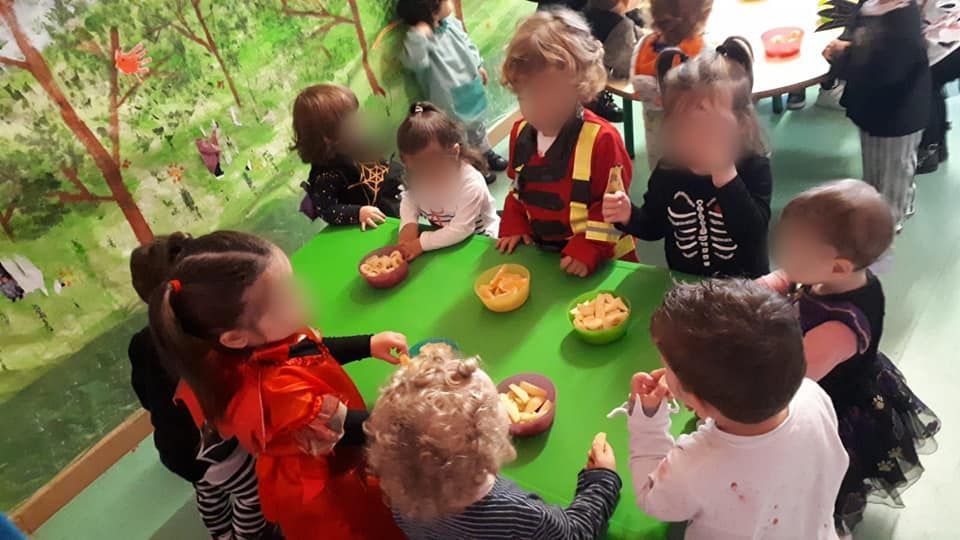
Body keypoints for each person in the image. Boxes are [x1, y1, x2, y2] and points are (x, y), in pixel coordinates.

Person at [146, 230, 407, 540]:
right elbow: (345, 426)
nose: (305, 296)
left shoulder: (261, 340)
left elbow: (305, 351)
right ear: (235, 337)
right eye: (287, 297)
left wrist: (367, 344)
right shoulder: (271, 392)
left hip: (338, 460)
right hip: (324, 491)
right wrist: (409, 419)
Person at [759, 180, 941, 535]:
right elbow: (788, 277)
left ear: (839, 266)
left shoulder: (840, 329)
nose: (786, 259)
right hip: (816, 368)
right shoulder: (830, 274)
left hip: (831, 403)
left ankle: (818, 518)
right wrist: (764, 286)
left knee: (821, 477)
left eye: (795, 252)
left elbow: (790, 378)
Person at [621, 279, 848, 539]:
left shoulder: (694, 465)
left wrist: (648, 422)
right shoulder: (812, 394)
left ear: (695, 402)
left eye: (668, 367)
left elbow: (653, 499)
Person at [365, 348, 622, 539]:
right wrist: (601, 481)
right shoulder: (519, 514)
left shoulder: (400, 494)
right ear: (489, 442)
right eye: (496, 404)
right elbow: (576, 532)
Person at [129, 232, 272, 540]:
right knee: (253, 491)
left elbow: (144, 397)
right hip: (210, 447)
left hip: (173, 449)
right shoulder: (206, 338)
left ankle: (219, 532)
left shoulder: (141, 341)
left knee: (208, 487)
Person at [604, 37, 772, 278]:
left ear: (742, 125)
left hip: (745, 290)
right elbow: (654, 225)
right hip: (686, 287)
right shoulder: (669, 171)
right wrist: (628, 214)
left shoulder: (754, 168)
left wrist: (726, 176)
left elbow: (753, 232)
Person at [497, 8, 636, 278]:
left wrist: (589, 247)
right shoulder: (520, 134)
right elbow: (518, 189)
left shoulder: (602, 140)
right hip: (547, 257)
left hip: (604, 261)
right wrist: (514, 223)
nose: (541, 109)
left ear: (579, 87)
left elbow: (613, 206)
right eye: (528, 98)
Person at [822, 0, 930, 229]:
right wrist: (847, 44)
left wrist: (842, 58)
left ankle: (891, 219)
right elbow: (860, 29)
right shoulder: (872, 4)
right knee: (874, 164)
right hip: (873, 108)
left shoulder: (903, 21)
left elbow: (883, 70)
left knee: (895, 170)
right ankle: (874, 204)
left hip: (898, 114)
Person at [397, 0, 507, 183]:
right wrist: (419, 35)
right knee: (459, 134)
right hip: (447, 97)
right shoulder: (420, 37)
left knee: (477, 125)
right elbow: (415, 62)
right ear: (432, 11)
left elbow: (467, 43)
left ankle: (486, 153)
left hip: (470, 85)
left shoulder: (451, 24)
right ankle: (473, 166)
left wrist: (478, 64)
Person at [396, 102, 499, 261]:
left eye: (434, 169)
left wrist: (421, 244)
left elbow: (461, 229)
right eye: (419, 171)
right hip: (444, 240)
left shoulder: (470, 183)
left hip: (481, 240)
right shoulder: (418, 178)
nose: (427, 178)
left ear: (454, 152)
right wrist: (408, 224)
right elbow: (410, 199)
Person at [292, 84, 403, 229]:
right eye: (352, 120)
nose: (360, 120)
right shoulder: (327, 174)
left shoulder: (361, 145)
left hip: (396, 211)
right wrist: (358, 213)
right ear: (328, 136)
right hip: (367, 229)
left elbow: (385, 168)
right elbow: (326, 209)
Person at [630, 0, 713, 168]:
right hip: (696, 150)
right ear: (703, 16)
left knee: (664, 184)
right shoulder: (703, 56)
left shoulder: (643, 48)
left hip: (658, 147)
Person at [916, 0, 960, 173]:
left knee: (926, 87)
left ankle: (928, 150)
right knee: (933, 87)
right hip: (949, 39)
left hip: (948, 42)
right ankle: (937, 147)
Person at [583, 0, 644, 79]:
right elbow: (625, 67)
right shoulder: (623, 26)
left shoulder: (584, 10)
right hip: (600, 80)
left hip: (581, 72)